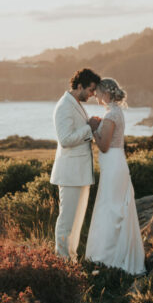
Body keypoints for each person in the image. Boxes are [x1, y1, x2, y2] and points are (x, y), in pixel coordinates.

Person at [84, 77, 146, 275]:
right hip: (115, 163)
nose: (96, 96)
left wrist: (94, 129)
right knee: (114, 207)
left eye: (98, 93)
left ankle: (110, 258)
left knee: (111, 208)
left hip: (112, 164)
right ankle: (113, 256)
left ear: (106, 94)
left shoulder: (111, 115)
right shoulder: (114, 113)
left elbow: (103, 146)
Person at [50, 68, 102, 261]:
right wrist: (89, 128)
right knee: (67, 220)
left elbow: (77, 131)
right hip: (70, 173)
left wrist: (88, 123)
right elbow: (65, 139)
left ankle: (71, 258)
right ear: (79, 85)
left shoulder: (76, 103)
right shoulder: (64, 106)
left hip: (80, 172)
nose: (92, 94)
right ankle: (62, 260)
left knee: (77, 221)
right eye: (90, 89)